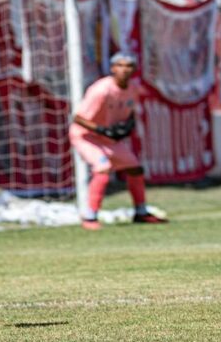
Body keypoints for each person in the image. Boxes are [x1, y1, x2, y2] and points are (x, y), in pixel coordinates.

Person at [70, 52, 167, 231]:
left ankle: (141, 212)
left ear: (134, 69)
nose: (124, 70)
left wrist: (128, 125)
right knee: (103, 168)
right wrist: (102, 130)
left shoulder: (132, 88)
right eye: (120, 65)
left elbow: (130, 111)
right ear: (113, 68)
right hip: (86, 136)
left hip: (107, 138)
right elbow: (78, 118)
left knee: (135, 168)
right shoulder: (101, 90)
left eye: (128, 66)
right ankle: (90, 217)